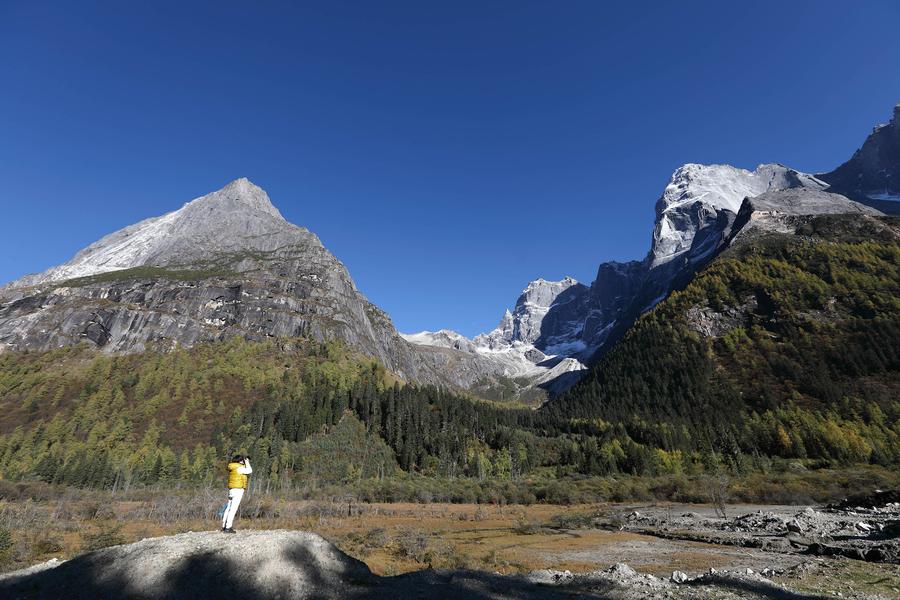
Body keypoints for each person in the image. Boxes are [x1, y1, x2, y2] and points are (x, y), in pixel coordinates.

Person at [221, 454, 252, 533]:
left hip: (232, 489)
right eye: (242, 460)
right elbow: (249, 470)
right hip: (238, 489)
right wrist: (247, 462)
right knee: (233, 509)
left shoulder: (232, 467)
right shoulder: (239, 468)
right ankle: (228, 527)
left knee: (228, 508)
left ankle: (224, 526)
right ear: (240, 461)